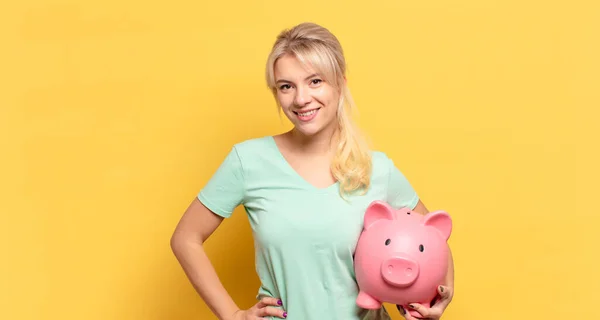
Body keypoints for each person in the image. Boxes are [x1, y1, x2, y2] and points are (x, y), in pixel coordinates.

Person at [170, 22, 454, 320]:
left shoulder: (376, 168)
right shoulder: (248, 160)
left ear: (340, 83)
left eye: (315, 81)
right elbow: (185, 238)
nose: (301, 98)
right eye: (286, 86)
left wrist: (440, 295)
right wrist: (232, 314)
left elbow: (435, 238)